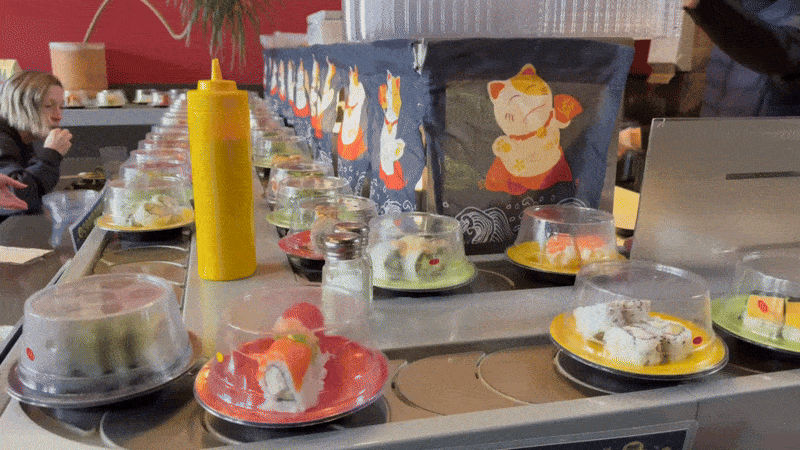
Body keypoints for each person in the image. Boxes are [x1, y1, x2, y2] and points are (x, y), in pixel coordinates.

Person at [0, 71, 72, 220]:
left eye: (61, 107)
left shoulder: (21, 136)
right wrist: (51, 155)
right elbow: (16, 198)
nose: (58, 116)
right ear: (21, 107)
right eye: (48, 106)